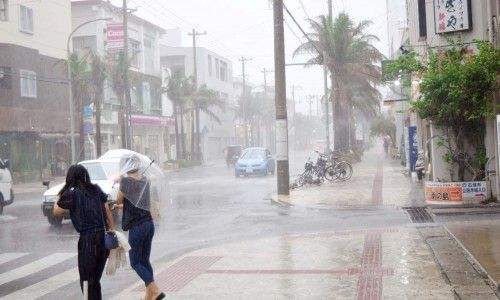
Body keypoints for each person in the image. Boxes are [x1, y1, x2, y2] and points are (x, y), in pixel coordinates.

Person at [53, 164, 115, 300]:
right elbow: (107, 212)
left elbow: (56, 211)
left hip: (88, 241)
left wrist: (62, 192)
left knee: (86, 281)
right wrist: (112, 233)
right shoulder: (96, 189)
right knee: (95, 281)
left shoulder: (72, 193)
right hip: (102, 239)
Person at [115, 155, 165, 300]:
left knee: (135, 262)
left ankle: (155, 290)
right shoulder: (145, 180)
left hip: (137, 227)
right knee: (144, 261)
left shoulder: (125, 181)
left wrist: (121, 183)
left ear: (126, 167)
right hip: (149, 224)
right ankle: (149, 295)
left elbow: (119, 200)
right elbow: (140, 201)